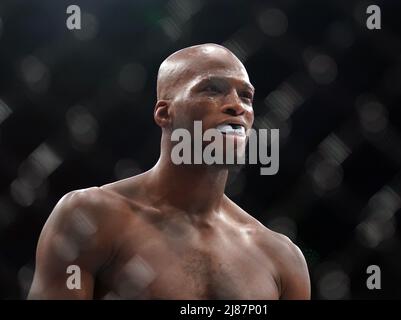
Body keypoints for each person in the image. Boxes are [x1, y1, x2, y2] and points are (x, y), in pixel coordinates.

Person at [27, 43, 310, 299]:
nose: (237, 106)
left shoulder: (281, 258)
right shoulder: (93, 217)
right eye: (212, 89)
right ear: (164, 113)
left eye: (246, 96)